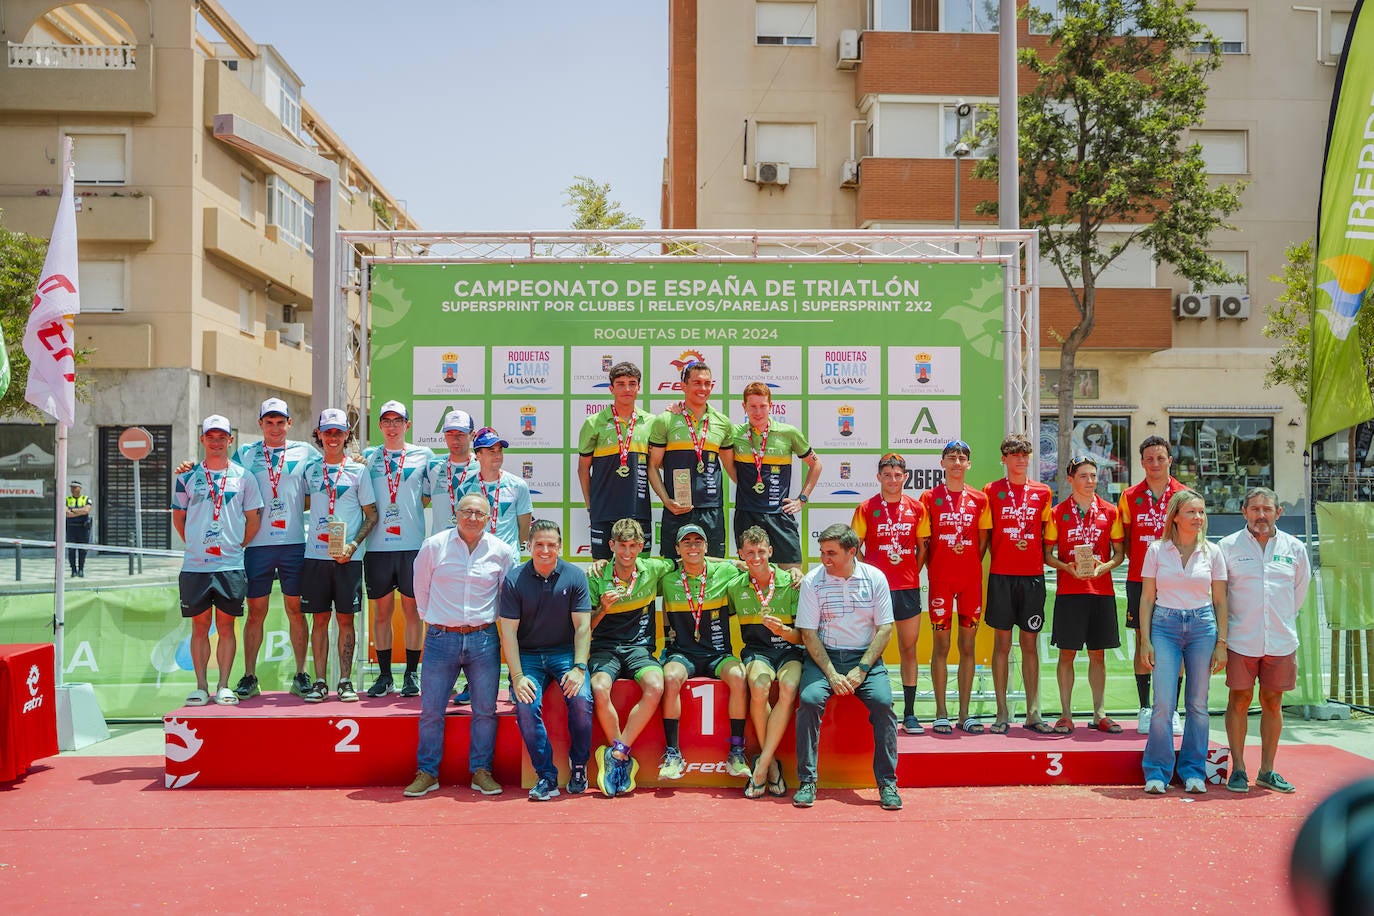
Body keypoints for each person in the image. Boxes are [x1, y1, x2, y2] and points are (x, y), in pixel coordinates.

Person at [404, 493, 516, 798]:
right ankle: (427, 772)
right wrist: (436, 620)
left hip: (484, 638)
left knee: (485, 710)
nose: (473, 518)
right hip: (441, 638)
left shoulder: (502, 552)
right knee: (431, 710)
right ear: (456, 514)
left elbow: (507, 596)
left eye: (480, 514)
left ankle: (481, 771)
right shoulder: (434, 546)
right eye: (467, 511)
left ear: (489, 518)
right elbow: (420, 588)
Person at [792, 524, 900, 810]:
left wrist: (862, 669)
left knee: (883, 703)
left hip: (865, 659)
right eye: (822, 552)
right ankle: (807, 781)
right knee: (809, 700)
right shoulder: (813, 581)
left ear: (852, 552)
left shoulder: (875, 578)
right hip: (824, 657)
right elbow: (809, 634)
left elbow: (885, 629)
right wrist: (831, 674)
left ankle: (888, 783)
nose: (824, 559)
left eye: (832, 553)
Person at [1220, 487, 1311, 794]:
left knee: (1273, 703)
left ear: (1278, 513)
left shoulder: (1295, 547)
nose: (1261, 515)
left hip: (1280, 641)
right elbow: (1220, 595)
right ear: (1244, 512)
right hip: (1240, 639)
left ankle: (1267, 771)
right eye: (1255, 509)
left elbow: (1299, 592)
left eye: (1267, 509)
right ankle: (1239, 769)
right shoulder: (1227, 546)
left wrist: (1279, 619)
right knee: (1239, 701)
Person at [1139, 490, 1229, 794]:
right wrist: (1145, 640)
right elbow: (1147, 597)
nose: (1198, 518)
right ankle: (1157, 772)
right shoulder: (1156, 550)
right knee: (1163, 703)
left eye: (1202, 512)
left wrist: (1222, 643)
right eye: (1192, 512)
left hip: (1203, 627)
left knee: (1198, 704)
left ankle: (1193, 771)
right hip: (1164, 626)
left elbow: (1220, 600)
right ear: (1175, 516)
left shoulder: (1213, 553)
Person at [497, 519, 594, 801]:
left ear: (560, 547)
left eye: (551, 545)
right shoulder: (514, 579)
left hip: (565, 653)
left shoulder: (575, 576)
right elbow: (509, 633)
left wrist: (578, 667)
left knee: (582, 698)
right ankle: (546, 777)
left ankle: (579, 766)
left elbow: (583, 628)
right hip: (528, 656)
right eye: (539, 544)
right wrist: (516, 677)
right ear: (529, 546)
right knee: (526, 703)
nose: (545, 550)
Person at [230, 398, 320, 700]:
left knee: (296, 610)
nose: (275, 427)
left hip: (294, 543)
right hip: (258, 545)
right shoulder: (245, 453)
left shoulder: (306, 452)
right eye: (269, 422)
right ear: (260, 424)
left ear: (289, 424)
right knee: (256, 612)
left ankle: (300, 673)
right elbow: (227, 483)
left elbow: (321, 486)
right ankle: (249, 676)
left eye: (280, 422)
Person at [171, 415, 263, 706]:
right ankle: (201, 686)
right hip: (196, 566)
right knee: (199, 627)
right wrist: (196, 544)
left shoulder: (243, 476)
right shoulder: (186, 477)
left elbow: (253, 519)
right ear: (202, 440)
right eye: (210, 437)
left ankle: (223, 685)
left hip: (230, 565)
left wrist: (237, 545)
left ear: (230, 440)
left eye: (221, 437)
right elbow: (179, 517)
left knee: (226, 627)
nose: (216, 442)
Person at [656, 524, 750, 781]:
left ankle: (737, 751)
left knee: (740, 677)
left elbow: (756, 564)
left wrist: (795, 574)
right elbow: (632, 573)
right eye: (687, 542)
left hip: (719, 654)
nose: (693, 546)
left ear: (707, 547)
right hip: (683, 653)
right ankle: (673, 754)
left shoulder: (726, 571)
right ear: (677, 549)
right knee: (670, 677)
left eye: (699, 541)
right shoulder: (666, 579)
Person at [585, 518, 672, 797]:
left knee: (656, 686)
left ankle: (617, 754)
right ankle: (620, 757)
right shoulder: (596, 576)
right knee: (598, 688)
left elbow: (693, 558)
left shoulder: (654, 568)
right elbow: (586, 627)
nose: (627, 553)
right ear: (611, 545)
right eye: (622, 546)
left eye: (633, 546)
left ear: (641, 546)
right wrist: (602, 608)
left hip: (639, 649)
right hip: (604, 647)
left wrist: (741, 563)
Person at [299, 408, 377, 703]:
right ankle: (320, 682)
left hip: (348, 558)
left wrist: (353, 546)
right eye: (327, 432)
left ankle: (344, 681)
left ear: (347, 435)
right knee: (319, 620)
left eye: (339, 432)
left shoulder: (359, 470)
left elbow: (372, 515)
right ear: (319, 434)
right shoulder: (309, 469)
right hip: (315, 557)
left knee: (346, 620)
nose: (333, 437)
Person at [1044, 454, 1125, 733]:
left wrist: (1105, 567)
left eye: (1093, 476)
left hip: (1101, 590)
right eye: (1083, 476)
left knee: (1098, 654)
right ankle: (1065, 714)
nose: (1090, 481)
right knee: (1066, 654)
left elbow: (1119, 554)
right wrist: (1066, 566)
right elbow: (1047, 554)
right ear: (1070, 480)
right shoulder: (1057, 513)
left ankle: (1099, 713)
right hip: (1070, 591)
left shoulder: (1110, 511)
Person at [918, 440, 992, 734]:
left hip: (970, 581)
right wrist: (935, 568)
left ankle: (964, 714)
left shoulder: (980, 499)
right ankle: (940, 712)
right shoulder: (929, 497)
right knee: (942, 646)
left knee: (968, 646)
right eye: (952, 458)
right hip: (940, 581)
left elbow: (983, 540)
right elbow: (924, 541)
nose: (957, 462)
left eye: (962, 458)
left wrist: (970, 561)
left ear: (968, 464)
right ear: (943, 463)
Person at [362, 400, 435, 699]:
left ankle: (411, 675)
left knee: (413, 611)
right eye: (386, 421)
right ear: (379, 426)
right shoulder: (367, 457)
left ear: (408, 425)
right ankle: (384, 676)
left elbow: (427, 497)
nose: (392, 426)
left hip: (411, 546)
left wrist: (404, 515)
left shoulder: (424, 456)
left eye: (398, 421)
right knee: (382, 611)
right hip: (377, 547)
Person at [983, 434, 1056, 734]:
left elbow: (1047, 535)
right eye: (1014, 454)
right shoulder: (991, 491)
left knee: (1029, 644)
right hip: (1001, 576)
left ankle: (1033, 712)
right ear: (1004, 458)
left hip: (1032, 578)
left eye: (1025, 455)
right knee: (1001, 644)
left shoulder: (1043, 492)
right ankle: (1001, 713)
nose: (1020, 460)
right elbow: (985, 538)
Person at [851, 453, 927, 734]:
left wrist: (910, 572)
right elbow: (853, 546)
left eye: (898, 475)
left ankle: (909, 714)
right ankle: (867, 712)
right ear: (879, 477)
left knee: (909, 649)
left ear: (905, 477)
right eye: (887, 475)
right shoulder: (866, 508)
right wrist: (871, 573)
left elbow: (923, 548)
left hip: (907, 589)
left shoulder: (917, 508)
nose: (893, 480)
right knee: (869, 649)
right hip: (876, 591)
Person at [1118, 435, 1188, 735]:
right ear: (1142, 462)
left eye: (1161, 458)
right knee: (1142, 641)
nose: (1155, 464)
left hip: (1176, 581)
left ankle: (1171, 709)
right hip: (1140, 580)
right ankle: (1146, 708)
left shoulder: (1185, 495)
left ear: (1170, 460)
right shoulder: (1129, 496)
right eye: (1149, 459)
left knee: (1178, 643)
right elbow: (1125, 540)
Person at [729, 526, 803, 798]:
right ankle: (770, 766)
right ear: (741, 555)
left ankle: (762, 765)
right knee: (759, 687)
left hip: (789, 651)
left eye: (761, 551)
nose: (756, 557)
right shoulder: (735, 586)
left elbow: (802, 638)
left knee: (788, 687)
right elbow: (708, 562)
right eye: (750, 552)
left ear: (771, 552)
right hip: (757, 652)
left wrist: (783, 631)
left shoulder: (792, 582)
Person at [727, 382, 820, 568]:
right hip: (748, 514)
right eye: (752, 406)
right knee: (749, 575)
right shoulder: (734, 433)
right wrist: (679, 408)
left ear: (771, 406)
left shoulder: (788, 433)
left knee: (792, 575)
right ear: (743, 406)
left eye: (763, 406)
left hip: (779, 514)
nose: (758, 412)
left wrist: (802, 499)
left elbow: (815, 464)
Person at [648, 360, 733, 559]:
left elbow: (732, 468)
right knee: (673, 571)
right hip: (677, 509)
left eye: (707, 383)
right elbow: (652, 466)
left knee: (714, 572)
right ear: (683, 386)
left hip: (711, 510)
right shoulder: (666, 420)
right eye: (696, 383)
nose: (703, 388)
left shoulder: (722, 422)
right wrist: (666, 501)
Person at [428, 408, 479, 706]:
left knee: (476, 620)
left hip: (473, 552)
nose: (455, 440)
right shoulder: (432, 466)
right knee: (443, 620)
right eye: (450, 434)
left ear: (471, 435)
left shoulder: (482, 465)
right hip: (444, 553)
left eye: (461, 434)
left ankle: (474, 683)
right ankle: (442, 682)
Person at [578, 361, 654, 560]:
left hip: (639, 510)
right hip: (603, 511)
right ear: (611, 388)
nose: (627, 388)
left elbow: (657, 464)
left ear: (639, 387)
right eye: (620, 384)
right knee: (601, 569)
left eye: (632, 383)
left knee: (641, 570)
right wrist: (590, 507)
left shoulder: (651, 422)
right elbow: (583, 469)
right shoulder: (594, 422)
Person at [471, 427, 533, 555]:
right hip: (477, 561)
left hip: (508, 562)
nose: (497, 455)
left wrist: (509, 551)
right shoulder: (465, 488)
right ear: (478, 455)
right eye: (491, 451)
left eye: (500, 450)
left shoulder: (518, 485)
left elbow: (524, 531)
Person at [65, 479, 92, 577]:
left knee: (82, 550)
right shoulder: (67, 499)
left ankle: (81, 569)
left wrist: (73, 510)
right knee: (71, 550)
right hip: (71, 528)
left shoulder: (86, 499)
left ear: (80, 488)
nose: (72, 489)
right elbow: (66, 513)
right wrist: (79, 512)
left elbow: (86, 510)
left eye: (74, 487)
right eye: (71, 487)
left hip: (83, 528)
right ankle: (73, 570)